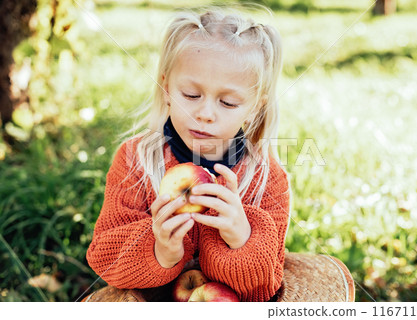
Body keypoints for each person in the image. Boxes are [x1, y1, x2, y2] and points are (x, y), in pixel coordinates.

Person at [86, 8, 291, 302]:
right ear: (167, 88)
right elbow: (105, 259)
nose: (204, 114)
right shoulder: (135, 161)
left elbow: (265, 290)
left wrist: (240, 240)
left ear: (255, 107)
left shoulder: (266, 179)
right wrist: (161, 251)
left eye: (228, 102)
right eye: (191, 96)